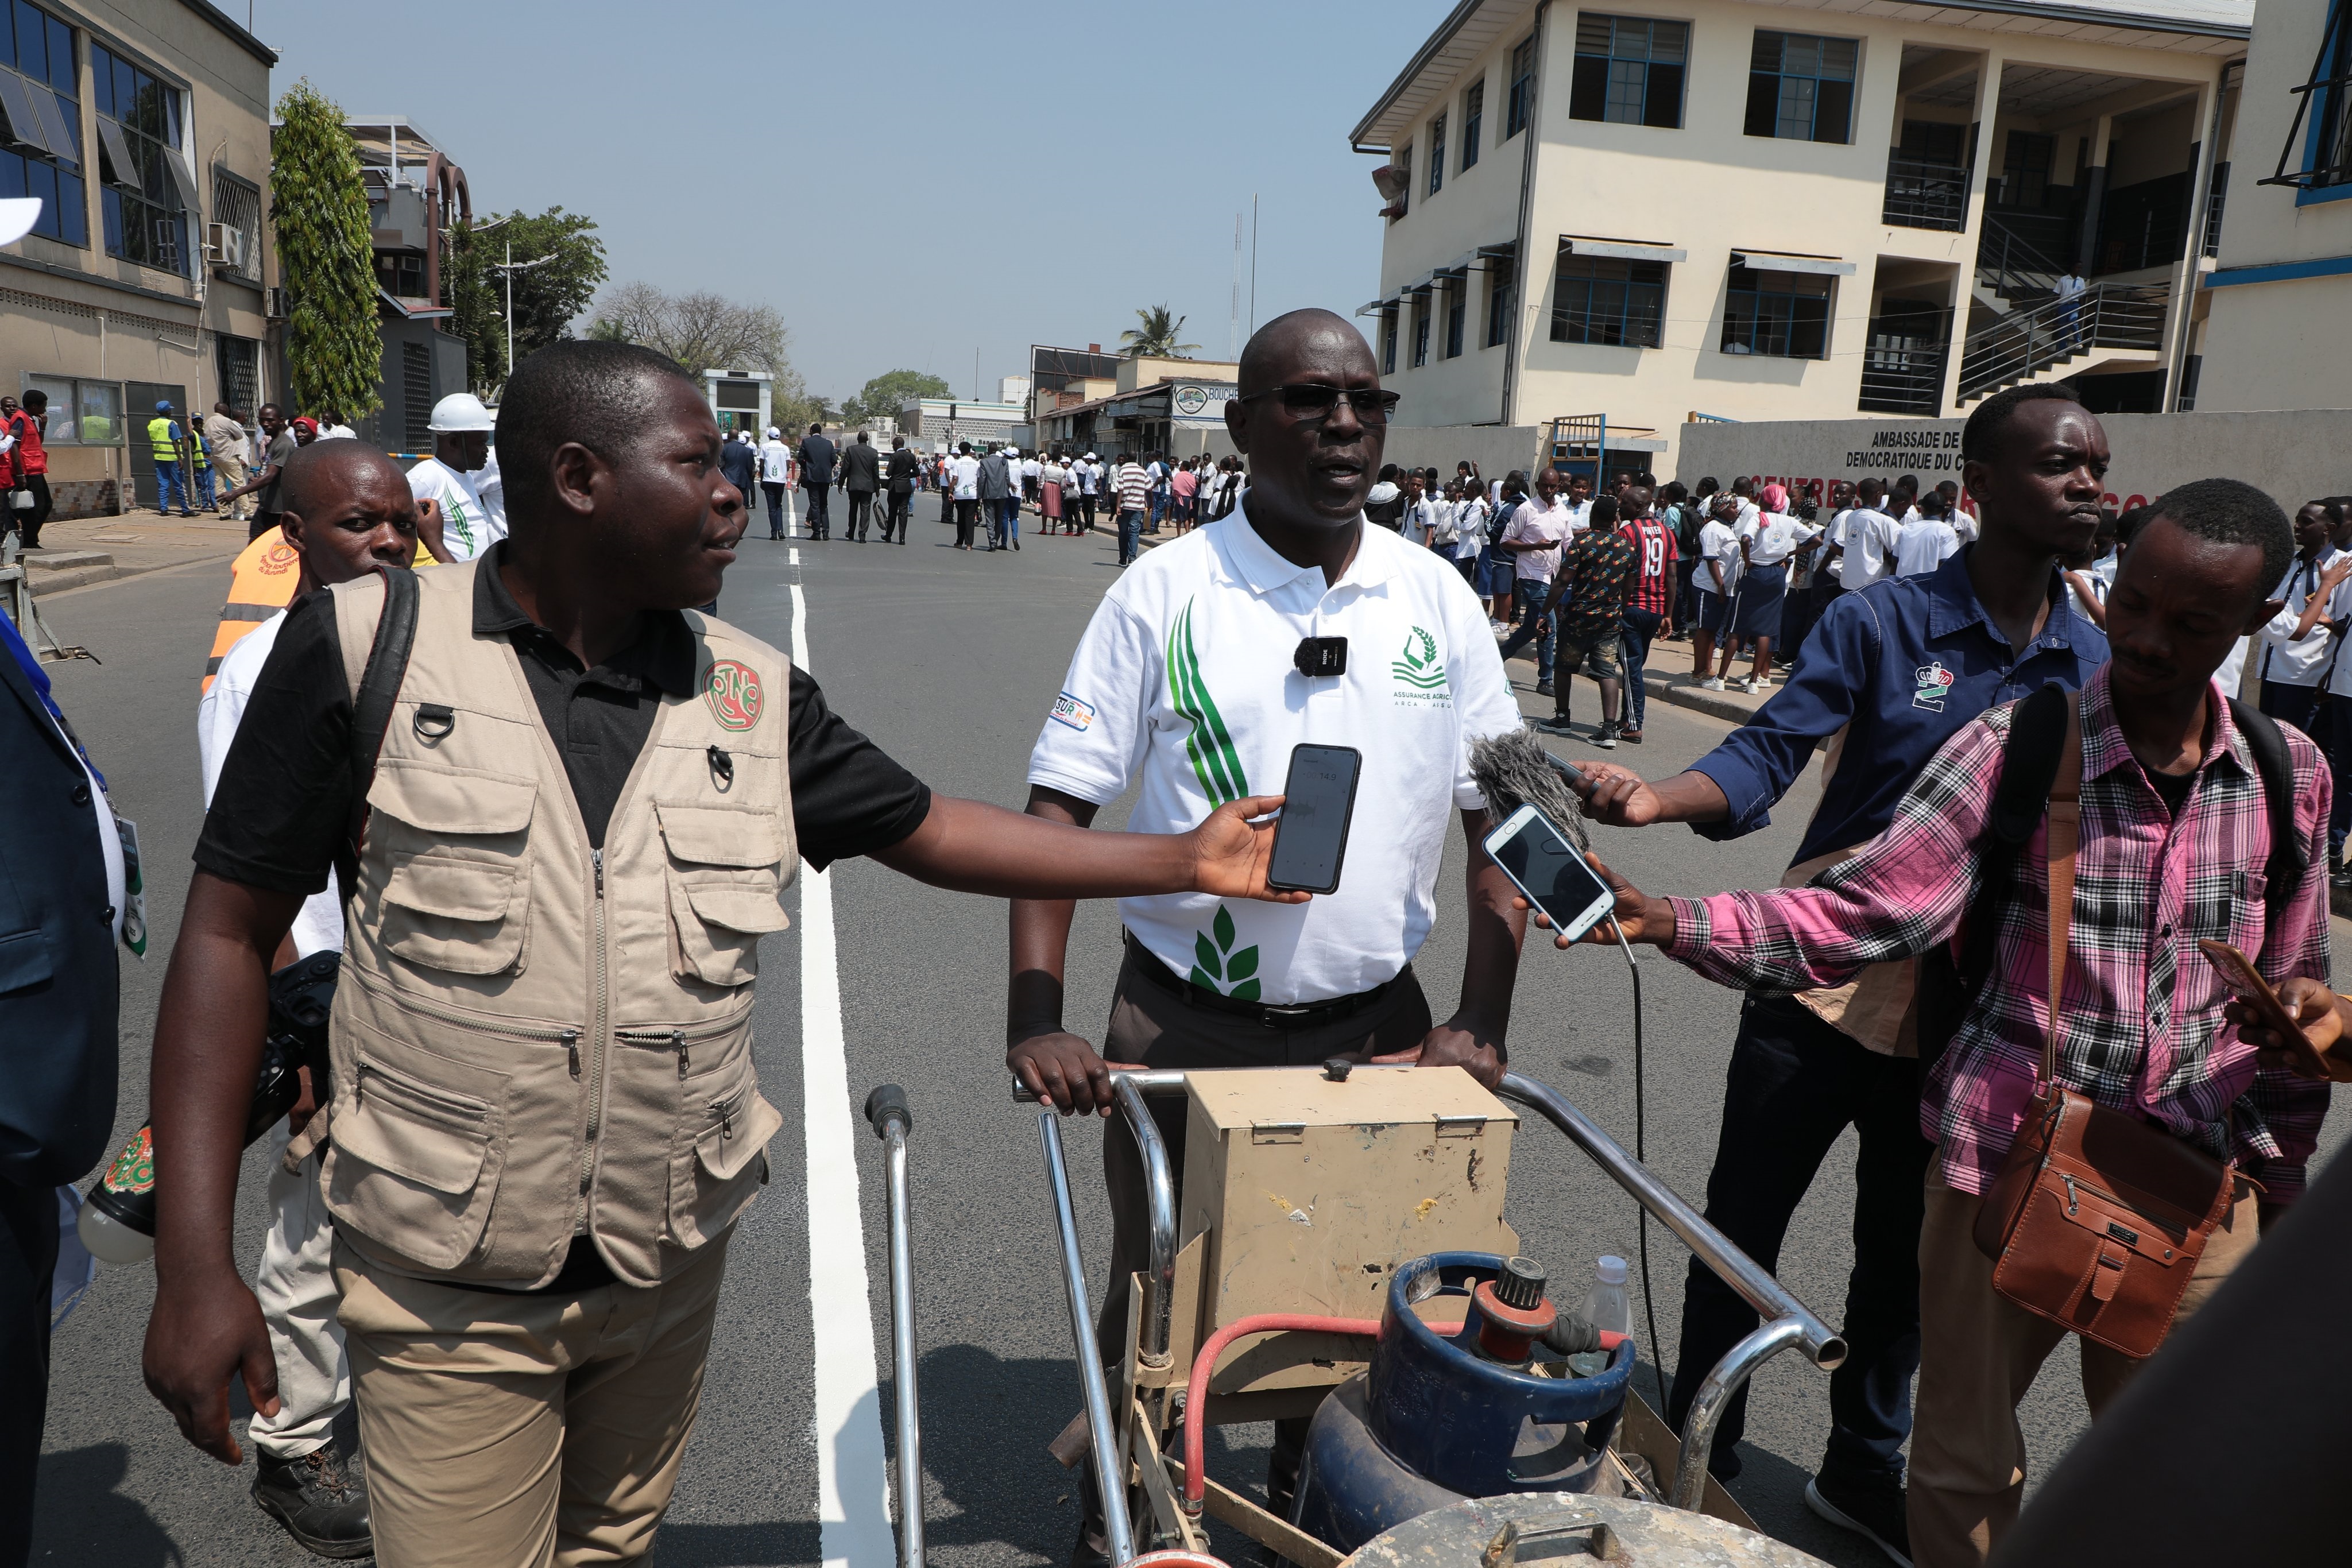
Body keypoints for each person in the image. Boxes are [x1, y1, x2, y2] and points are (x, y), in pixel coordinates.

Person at [140, 339, 1304, 1568]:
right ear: (580, 477)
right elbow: (225, 936)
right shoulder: (363, 647)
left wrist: (1181, 861)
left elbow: (933, 830)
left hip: (661, 1277)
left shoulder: (749, 693)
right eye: (695, 463)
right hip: (447, 1286)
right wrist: (196, 1264)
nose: (734, 488)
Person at [1564, 478, 2324, 1568]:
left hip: (2194, 1185)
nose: (2148, 640)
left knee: (2183, 1471)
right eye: (2135, 604)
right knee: (1964, 1462)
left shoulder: (2288, 773)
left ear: (2254, 625)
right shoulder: (2021, 741)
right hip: (2008, 1163)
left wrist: (2281, 1178)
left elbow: (2293, 983)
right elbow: (1865, 904)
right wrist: (1669, 915)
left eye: (2193, 623)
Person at [1566, 384, 2114, 1565]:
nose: (2086, 484)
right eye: (2060, 464)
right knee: (1738, 1241)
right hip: (1813, 986)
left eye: (2095, 465)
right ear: (1979, 484)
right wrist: (1659, 795)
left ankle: (1859, 1468)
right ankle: (1698, 1465)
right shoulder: (1881, 624)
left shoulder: (2094, 659)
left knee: (1901, 1266)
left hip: (1966, 1020)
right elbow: (1769, 750)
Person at [1012, 308, 1527, 1562]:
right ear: (1244, 425)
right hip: (1181, 1028)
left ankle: (1314, 1506)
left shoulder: (1437, 597)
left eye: (1364, 398)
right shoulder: (1166, 591)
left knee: (1359, 1315)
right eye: (1306, 399)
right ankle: (1127, 1519)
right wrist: (1036, 1012)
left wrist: (1479, 1020)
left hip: (1377, 1036)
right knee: (1161, 1305)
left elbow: (1498, 822)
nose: (1342, 422)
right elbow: (1054, 813)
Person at [196, 441, 425, 1557]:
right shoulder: (255, 669)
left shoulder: (434, 645)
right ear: (292, 541)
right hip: (318, 989)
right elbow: (238, 886)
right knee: (310, 1225)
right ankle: (299, 1448)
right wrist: (296, 1022)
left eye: (398, 519)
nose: (387, 540)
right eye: (354, 525)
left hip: (412, 1004)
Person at [1511, 494, 1633, 745]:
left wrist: (1545, 612)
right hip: (1610, 618)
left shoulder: (1582, 544)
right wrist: (1618, 608)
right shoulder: (1627, 548)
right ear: (1614, 520)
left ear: (1592, 517)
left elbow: (1562, 581)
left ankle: (1563, 719)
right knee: (1607, 672)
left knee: (1564, 668)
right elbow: (1628, 588)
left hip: (1579, 616)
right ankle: (1609, 730)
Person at [2250, 499, 2349, 738]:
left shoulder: (2343, 568)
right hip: (2271, 671)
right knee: (2269, 744)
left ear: (2329, 528)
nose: (2297, 526)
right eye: (2297, 520)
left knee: (2295, 751)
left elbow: (2346, 630)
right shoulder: (2287, 563)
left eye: (2306, 522)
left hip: (2306, 676)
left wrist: (2330, 676)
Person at [1495, 467, 1575, 698]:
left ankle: (1497, 657)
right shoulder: (1526, 509)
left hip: (1554, 576)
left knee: (1532, 626)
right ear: (1538, 485)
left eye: (1553, 487)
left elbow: (1568, 542)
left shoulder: (1561, 510)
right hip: (1532, 575)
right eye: (1544, 486)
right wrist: (1535, 546)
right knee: (1549, 623)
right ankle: (1546, 679)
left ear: (1559, 487)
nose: (1548, 491)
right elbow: (1506, 541)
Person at [404, 392, 502, 564]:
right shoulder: (425, 478)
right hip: (451, 584)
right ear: (453, 442)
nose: (486, 450)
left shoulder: (466, 478)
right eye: (480, 443)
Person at [1616, 482, 1676, 744]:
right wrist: (1668, 614)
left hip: (1632, 608)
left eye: (1625, 503)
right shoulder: (1667, 533)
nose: (1620, 506)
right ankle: (1626, 717)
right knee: (1635, 666)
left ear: (1640, 506)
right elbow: (1672, 576)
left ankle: (1633, 724)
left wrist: (1619, 606)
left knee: (1631, 669)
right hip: (1655, 610)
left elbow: (1621, 573)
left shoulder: (1628, 532)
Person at [221, 405, 298, 544]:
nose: (265, 424)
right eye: (262, 420)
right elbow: (269, 473)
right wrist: (258, 479)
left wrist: (237, 493)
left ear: (281, 421)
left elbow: (270, 476)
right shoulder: (273, 441)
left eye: (270, 420)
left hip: (277, 511)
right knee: (255, 545)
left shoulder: (284, 444)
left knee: (270, 548)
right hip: (266, 507)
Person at [1691, 494, 1741, 688]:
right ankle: (1697, 672)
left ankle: (1707, 668)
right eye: (1733, 507)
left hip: (1724, 588)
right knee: (1705, 630)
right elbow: (1712, 559)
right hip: (1709, 586)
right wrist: (1720, 585)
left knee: (1713, 630)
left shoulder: (1727, 527)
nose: (1736, 510)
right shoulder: (1712, 528)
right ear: (1721, 508)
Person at [2, 390, 51, 549]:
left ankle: (29, 538)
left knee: (45, 505)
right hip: (28, 470)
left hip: (37, 468)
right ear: (34, 406)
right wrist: (20, 473)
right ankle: (29, 540)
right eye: (43, 406)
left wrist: (43, 427)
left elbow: (37, 442)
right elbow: (14, 446)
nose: (45, 410)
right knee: (36, 507)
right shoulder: (20, 419)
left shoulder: (30, 419)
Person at [1894, 489, 1963, 579]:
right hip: (1926, 589)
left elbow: (1894, 563)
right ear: (1942, 511)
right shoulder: (1947, 532)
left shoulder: (1905, 529)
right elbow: (1946, 565)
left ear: (1922, 509)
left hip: (1901, 588)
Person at [148, 398, 195, 516]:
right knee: (179, 484)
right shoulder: (171, 424)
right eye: (170, 410)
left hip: (159, 457)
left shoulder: (152, 424)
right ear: (168, 412)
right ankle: (185, 510)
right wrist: (180, 458)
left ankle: (164, 509)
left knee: (163, 484)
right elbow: (175, 441)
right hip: (172, 458)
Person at [206, 402, 251, 520]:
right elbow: (239, 435)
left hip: (215, 457)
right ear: (224, 411)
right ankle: (248, 511)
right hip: (229, 456)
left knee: (219, 485)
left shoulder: (208, 422)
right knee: (239, 484)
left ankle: (224, 512)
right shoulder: (226, 421)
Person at [837, 431, 881, 543]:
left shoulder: (851, 450)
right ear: (867, 440)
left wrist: (841, 483)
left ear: (857, 439)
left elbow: (845, 468)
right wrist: (877, 488)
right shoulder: (874, 453)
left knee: (853, 509)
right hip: (868, 486)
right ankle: (862, 535)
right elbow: (876, 473)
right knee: (865, 511)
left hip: (854, 485)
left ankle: (851, 532)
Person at [797, 421, 837, 540]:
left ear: (811, 432)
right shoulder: (829, 444)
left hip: (813, 477)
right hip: (825, 477)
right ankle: (826, 532)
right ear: (821, 432)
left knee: (815, 505)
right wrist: (827, 468)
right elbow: (834, 460)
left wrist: (807, 468)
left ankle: (816, 533)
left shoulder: (807, 442)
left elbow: (800, 458)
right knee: (824, 504)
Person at [977, 440, 1015, 553]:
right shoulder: (1004, 462)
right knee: (999, 518)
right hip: (1002, 493)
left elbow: (983, 479)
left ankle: (992, 542)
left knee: (989, 519)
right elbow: (1007, 477)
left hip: (989, 493)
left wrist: (980, 494)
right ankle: (996, 539)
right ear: (997, 450)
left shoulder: (984, 462)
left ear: (988, 451)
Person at [1112, 451, 1150, 566]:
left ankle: (1123, 558)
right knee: (1134, 532)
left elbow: (1120, 489)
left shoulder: (1123, 470)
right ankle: (1132, 558)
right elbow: (1149, 489)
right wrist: (1150, 504)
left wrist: (1118, 506)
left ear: (1127, 458)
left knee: (1123, 532)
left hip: (1125, 506)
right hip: (1138, 507)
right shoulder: (1142, 471)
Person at [758, 425, 794, 540]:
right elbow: (788, 465)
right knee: (779, 505)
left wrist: (762, 479)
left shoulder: (765, 447)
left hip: (768, 479)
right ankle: (780, 530)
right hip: (780, 480)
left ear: (769, 436)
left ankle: (773, 532)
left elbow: (762, 464)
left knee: (771, 507)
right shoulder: (785, 448)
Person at [883, 435, 918, 545]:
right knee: (903, 512)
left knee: (892, 512)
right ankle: (902, 538)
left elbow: (889, 473)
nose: (893, 447)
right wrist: (907, 475)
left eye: (893, 445)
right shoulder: (911, 456)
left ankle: (888, 535)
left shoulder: (895, 456)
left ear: (897, 445)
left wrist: (895, 475)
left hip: (895, 487)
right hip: (906, 487)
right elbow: (917, 472)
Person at [950, 440, 982, 551]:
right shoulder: (976, 463)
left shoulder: (957, 463)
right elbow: (979, 479)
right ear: (970, 451)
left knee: (961, 518)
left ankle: (959, 542)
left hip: (960, 494)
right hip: (973, 494)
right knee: (970, 519)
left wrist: (950, 491)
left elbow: (955, 478)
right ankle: (969, 544)